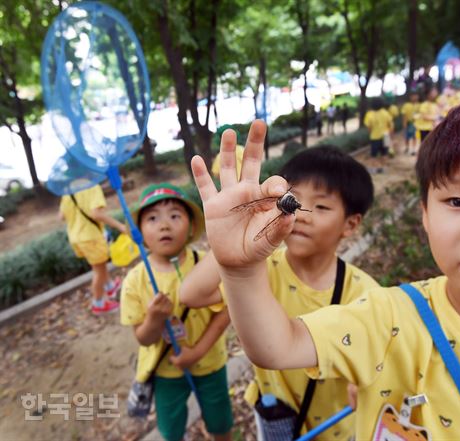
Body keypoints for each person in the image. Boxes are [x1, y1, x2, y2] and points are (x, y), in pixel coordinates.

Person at [189, 96, 460, 440]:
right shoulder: (388, 316)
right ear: (425, 213)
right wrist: (242, 271)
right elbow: (279, 346)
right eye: (457, 201)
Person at [181, 145, 379, 441]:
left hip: (334, 430)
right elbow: (191, 294)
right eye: (294, 199)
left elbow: (377, 363)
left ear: (350, 224)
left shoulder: (364, 295)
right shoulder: (259, 270)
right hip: (275, 416)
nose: (304, 214)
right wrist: (232, 251)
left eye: (322, 207)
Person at [120, 183, 232, 441]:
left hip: (210, 364)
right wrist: (155, 319)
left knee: (220, 421)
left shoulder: (206, 265)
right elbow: (143, 338)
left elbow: (226, 311)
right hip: (166, 372)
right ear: (139, 232)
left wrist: (198, 351)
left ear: (191, 225)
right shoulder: (135, 281)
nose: (164, 225)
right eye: (152, 218)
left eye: (175, 215)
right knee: (171, 430)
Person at [59, 184, 127, 315]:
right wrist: (119, 226)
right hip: (90, 236)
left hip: (76, 237)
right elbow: (96, 213)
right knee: (98, 270)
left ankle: (110, 286)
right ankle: (98, 303)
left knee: (99, 265)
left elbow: (61, 216)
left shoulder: (67, 190)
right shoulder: (91, 185)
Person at [363, 98, 394, 173]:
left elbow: (369, 127)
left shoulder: (369, 114)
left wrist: (371, 133)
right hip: (385, 136)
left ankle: (374, 169)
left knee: (373, 154)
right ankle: (384, 168)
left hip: (374, 137)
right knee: (384, 153)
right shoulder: (385, 112)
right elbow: (391, 125)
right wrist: (390, 134)